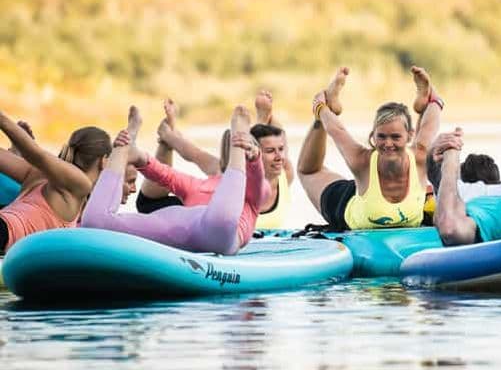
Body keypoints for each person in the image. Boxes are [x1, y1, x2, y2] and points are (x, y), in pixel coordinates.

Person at [81, 105, 268, 255]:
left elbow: (257, 181)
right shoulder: (198, 185)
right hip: (171, 227)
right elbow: (166, 174)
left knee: (222, 221)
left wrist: (255, 157)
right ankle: (126, 144)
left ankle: (239, 137)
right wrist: (140, 158)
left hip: (215, 235)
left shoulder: (254, 193)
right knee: (94, 223)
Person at [297, 66, 441, 230]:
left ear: (409, 135)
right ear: (373, 136)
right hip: (346, 205)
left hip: (367, 193)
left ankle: (423, 98)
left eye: (395, 137)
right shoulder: (361, 160)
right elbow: (337, 130)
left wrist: (433, 100)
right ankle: (331, 104)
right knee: (308, 172)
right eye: (381, 137)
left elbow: (430, 125)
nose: (388, 144)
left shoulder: (420, 157)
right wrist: (321, 108)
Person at [137, 93, 293, 228]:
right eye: (270, 151)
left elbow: (279, 140)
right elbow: (194, 153)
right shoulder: (228, 172)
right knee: (152, 197)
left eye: (280, 150)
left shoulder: (285, 175)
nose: (279, 157)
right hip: (167, 208)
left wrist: (266, 116)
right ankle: (166, 139)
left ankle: (169, 137)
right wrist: (168, 135)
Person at [0, 111, 112, 252]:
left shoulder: (39, 173)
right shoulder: (81, 185)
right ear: (104, 161)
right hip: (5, 234)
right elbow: (38, 155)